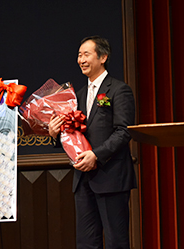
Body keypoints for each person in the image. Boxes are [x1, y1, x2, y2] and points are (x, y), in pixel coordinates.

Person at [49, 36, 137, 249]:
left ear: (103, 57)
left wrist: (96, 155)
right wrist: (55, 134)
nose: (81, 60)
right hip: (83, 179)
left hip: (111, 177)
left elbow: (123, 132)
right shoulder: (77, 96)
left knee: (116, 241)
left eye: (86, 54)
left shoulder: (118, 89)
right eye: (79, 55)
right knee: (86, 243)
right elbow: (72, 135)